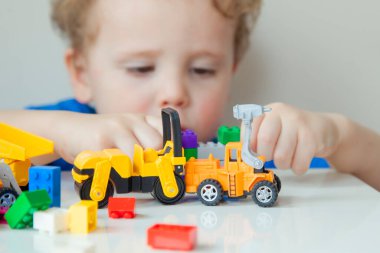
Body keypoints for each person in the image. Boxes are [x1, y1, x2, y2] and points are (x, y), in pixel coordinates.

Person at [1, 0, 379, 191]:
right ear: (82, 75)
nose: (173, 94)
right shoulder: (64, 135)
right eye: (141, 69)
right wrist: (58, 131)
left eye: (202, 70)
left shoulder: (244, 153)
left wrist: (339, 135)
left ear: (230, 71)